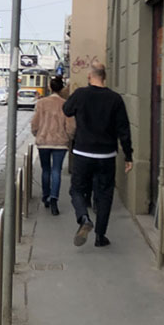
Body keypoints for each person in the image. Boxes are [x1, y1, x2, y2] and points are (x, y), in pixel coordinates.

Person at [62, 61, 133, 247]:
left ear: (89, 76)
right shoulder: (115, 99)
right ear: (105, 77)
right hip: (106, 155)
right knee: (104, 196)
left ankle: (84, 218)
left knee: (76, 189)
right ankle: (100, 237)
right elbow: (123, 129)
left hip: (83, 152)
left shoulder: (81, 95)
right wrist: (128, 155)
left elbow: (66, 110)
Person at [30, 75, 75, 215]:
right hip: (60, 142)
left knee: (46, 170)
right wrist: (68, 137)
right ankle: (54, 198)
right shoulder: (65, 103)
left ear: (50, 87)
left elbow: (34, 123)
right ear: (62, 88)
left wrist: (37, 133)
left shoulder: (41, 103)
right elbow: (71, 126)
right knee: (57, 170)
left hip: (44, 141)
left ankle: (45, 197)